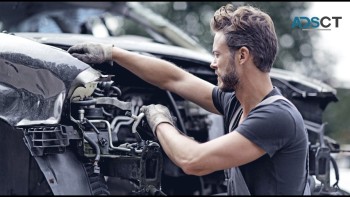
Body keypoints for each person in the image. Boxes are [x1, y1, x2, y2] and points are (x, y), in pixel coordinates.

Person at [68, 3, 310, 195]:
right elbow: (175, 80)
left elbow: (193, 160)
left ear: (243, 56)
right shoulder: (236, 102)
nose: (212, 63)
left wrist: (159, 120)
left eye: (217, 55)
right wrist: (112, 53)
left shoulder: (277, 117)